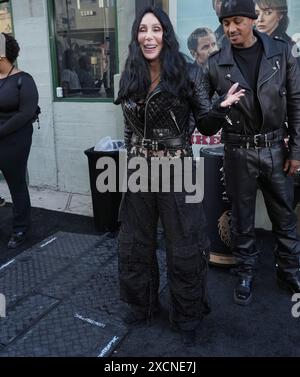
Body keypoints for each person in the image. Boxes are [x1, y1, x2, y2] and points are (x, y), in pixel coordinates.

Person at [115, 6, 244, 346]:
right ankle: (140, 304)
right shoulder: (129, 72)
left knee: (185, 245)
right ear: (136, 36)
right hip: (139, 169)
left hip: (177, 167)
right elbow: (129, 128)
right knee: (133, 243)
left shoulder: (187, 72)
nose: (148, 36)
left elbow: (204, 123)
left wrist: (220, 108)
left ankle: (187, 314)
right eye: (143, 30)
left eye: (155, 29)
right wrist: (130, 160)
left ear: (165, 34)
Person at [203, 0, 300, 305]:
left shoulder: (282, 52)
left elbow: (296, 102)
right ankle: (245, 273)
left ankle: (290, 271)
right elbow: (204, 117)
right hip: (238, 151)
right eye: (225, 23)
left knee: (284, 217)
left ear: (251, 19)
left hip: (275, 148)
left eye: (237, 21)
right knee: (242, 219)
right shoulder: (215, 62)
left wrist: (296, 151)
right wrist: (220, 107)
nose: (230, 28)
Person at [0, 33, 39, 248]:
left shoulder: (25, 79)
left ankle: (20, 229)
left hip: (15, 140)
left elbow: (25, 114)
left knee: (16, 184)